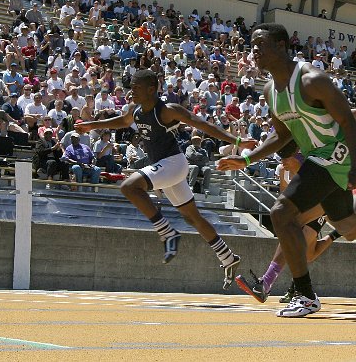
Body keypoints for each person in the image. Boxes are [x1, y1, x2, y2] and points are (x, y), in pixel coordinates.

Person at [217, 24, 356, 317]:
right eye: (252, 44)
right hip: (318, 159)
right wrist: (248, 159)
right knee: (348, 226)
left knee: (281, 213)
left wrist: (353, 166)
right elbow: (280, 134)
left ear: (281, 45)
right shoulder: (270, 91)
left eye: (261, 44)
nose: (254, 50)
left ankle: (304, 293)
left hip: (333, 156)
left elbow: (350, 121)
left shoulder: (312, 80)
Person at [75, 69, 255, 289]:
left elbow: (203, 125)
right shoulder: (136, 110)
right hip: (165, 170)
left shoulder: (167, 110)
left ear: (151, 89)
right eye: (131, 86)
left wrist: (237, 140)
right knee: (192, 217)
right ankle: (228, 257)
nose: (132, 91)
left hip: (174, 164)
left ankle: (167, 232)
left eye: (136, 87)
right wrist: (92, 125)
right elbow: (122, 121)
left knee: (130, 187)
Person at [234, 102, 356, 305]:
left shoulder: (321, 120)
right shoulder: (293, 129)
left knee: (295, 224)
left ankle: (271, 284)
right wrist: (245, 153)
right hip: (324, 179)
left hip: (332, 176)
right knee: (349, 230)